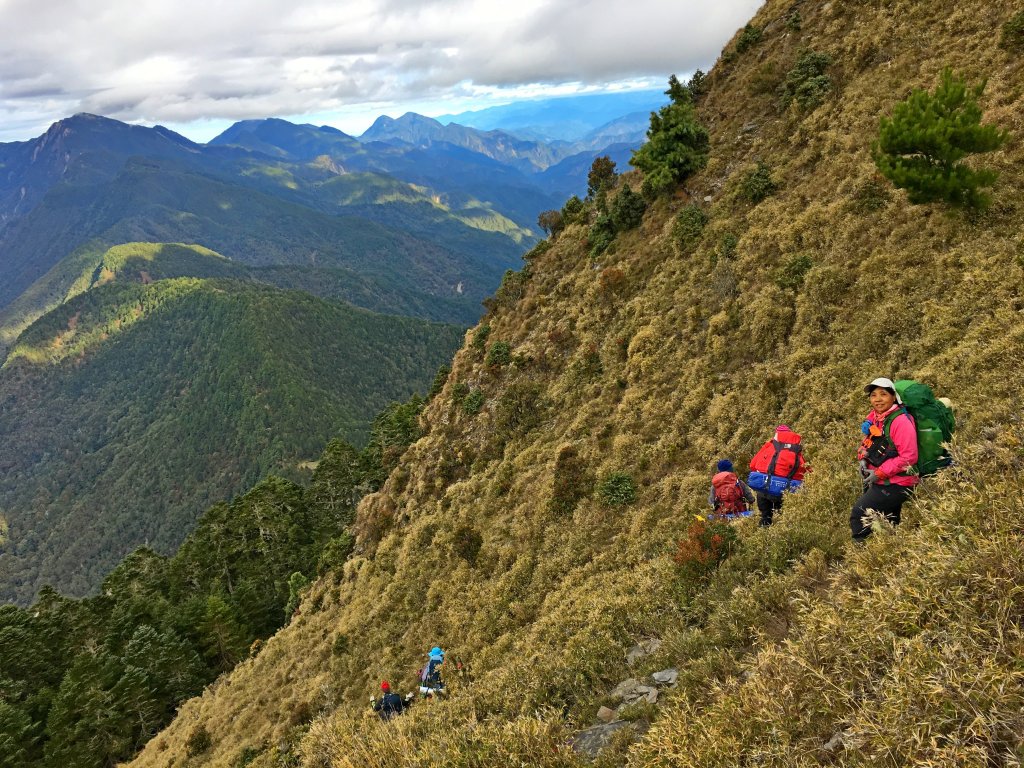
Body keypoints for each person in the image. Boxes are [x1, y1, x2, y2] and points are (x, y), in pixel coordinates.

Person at [851, 377, 918, 541]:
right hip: (882, 480)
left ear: (893, 397)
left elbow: (909, 456)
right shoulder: (876, 418)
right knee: (889, 522)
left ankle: (863, 560)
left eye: (883, 394)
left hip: (898, 483)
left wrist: (879, 473)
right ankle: (889, 556)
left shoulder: (900, 421)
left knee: (859, 515)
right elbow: (867, 444)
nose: (878, 399)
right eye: (873, 395)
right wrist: (862, 459)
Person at [748, 425, 809, 527]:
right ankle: (782, 535)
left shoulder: (769, 446)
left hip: (765, 490)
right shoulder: (796, 450)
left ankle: (763, 536)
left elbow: (752, 465)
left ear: (776, 434)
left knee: (765, 516)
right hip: (785, 491)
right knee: (783, 518)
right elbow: (805, 471)